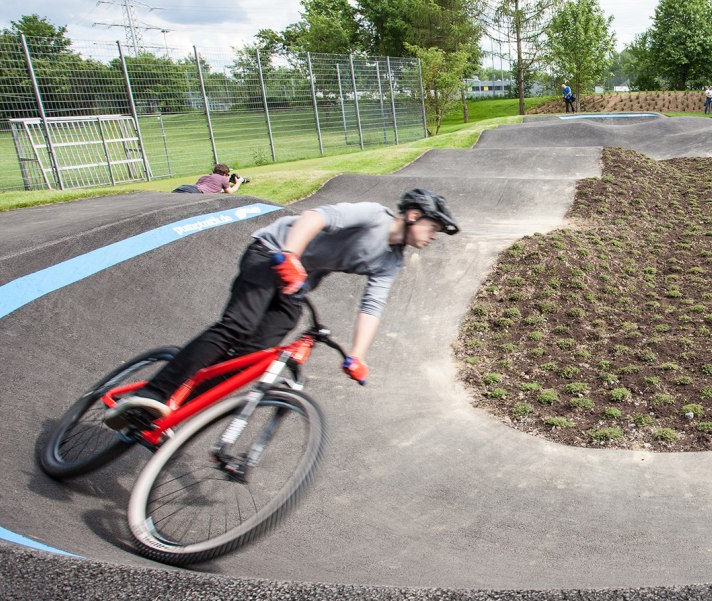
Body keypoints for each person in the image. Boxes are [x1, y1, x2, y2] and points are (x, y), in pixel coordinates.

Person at [103, 190, 460, 429]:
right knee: (236, 327)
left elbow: (372, 304)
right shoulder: (372, 217)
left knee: (251, 357)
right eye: (433, 227)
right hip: (271, 253)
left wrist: (357, 355)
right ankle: (151, 394)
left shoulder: (391, 262)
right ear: (413, 215)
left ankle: (169, 412)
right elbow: (314, 217)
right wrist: (290, 254)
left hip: (296, 285)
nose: (434, 236)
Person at [175, 164, 247, 194]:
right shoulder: (223, 178)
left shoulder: (204, 176)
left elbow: (210, 188)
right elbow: (230, 191)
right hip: (195, 192)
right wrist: (239, 182)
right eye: (227, 175)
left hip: (185, 187)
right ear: (224, 174)